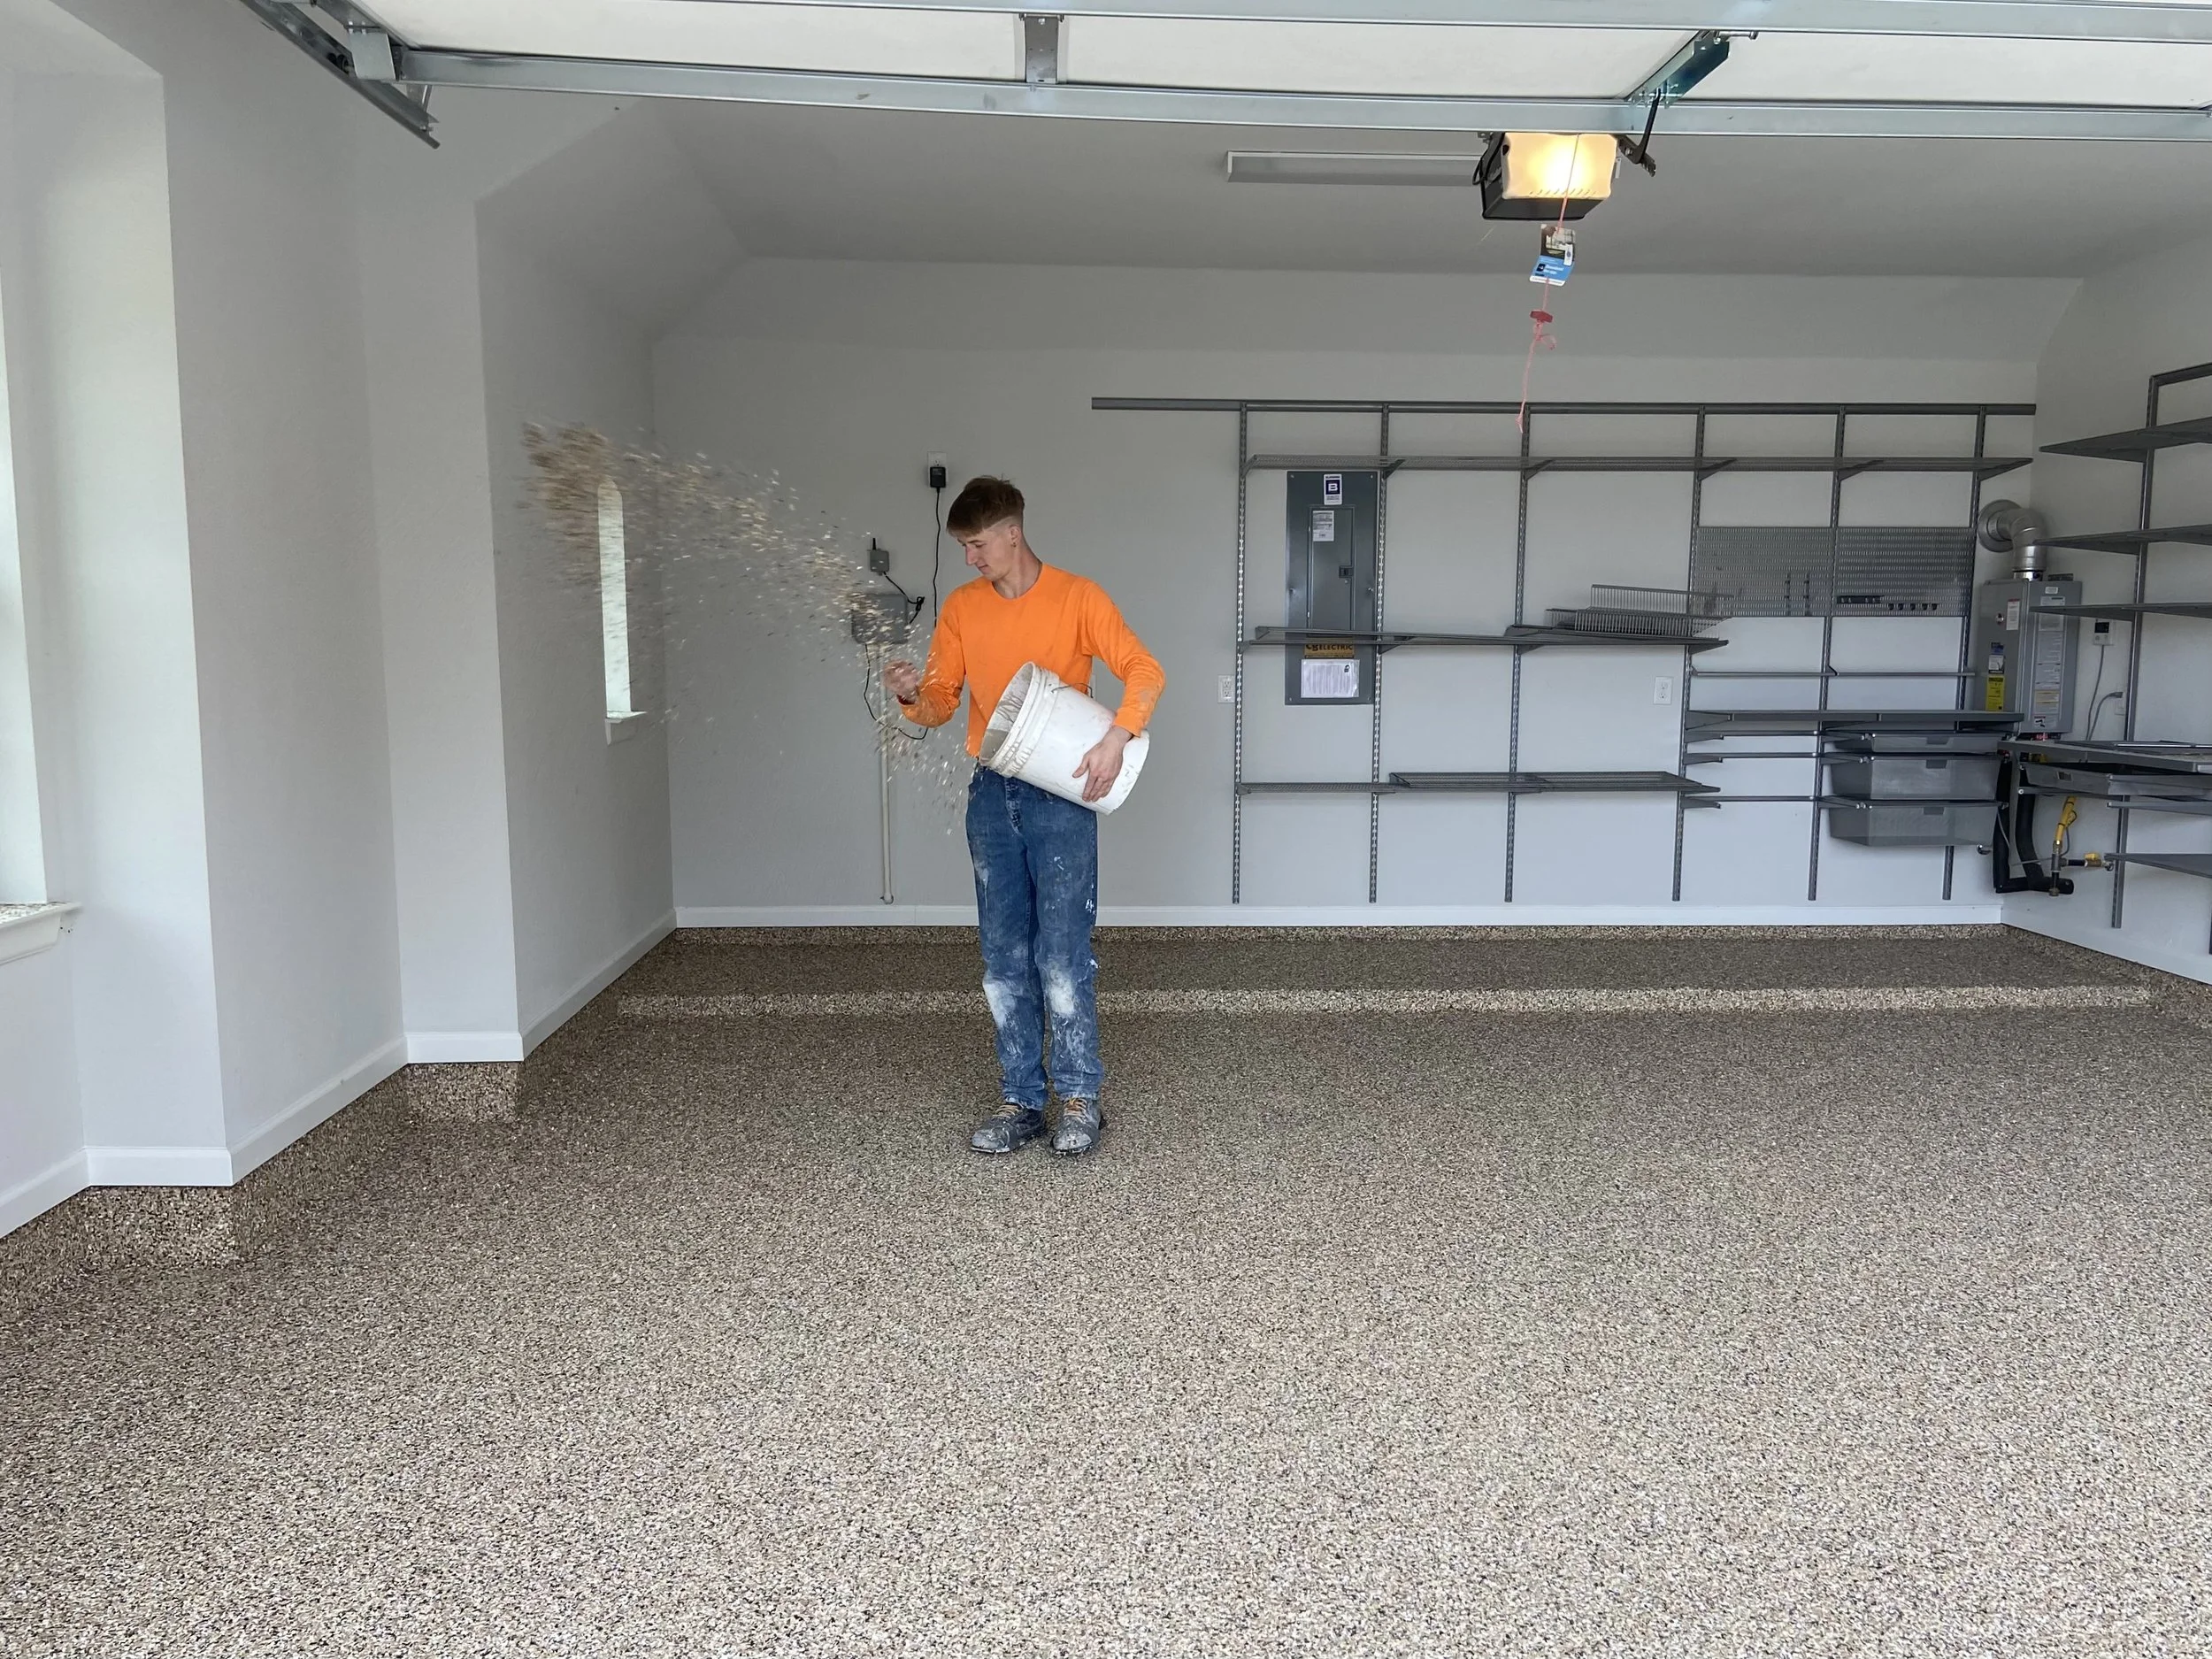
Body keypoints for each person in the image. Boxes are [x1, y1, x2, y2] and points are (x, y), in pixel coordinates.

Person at [885, 477, 1165, 1156]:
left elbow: (1144, 670)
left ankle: (1080, 1098)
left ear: (1012, 533)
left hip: (1062, 794)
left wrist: (1116, 737)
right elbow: (942, 702)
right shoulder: (962, 607)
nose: (970, 558)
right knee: (1003, 955)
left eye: (978, 544)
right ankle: (1021, 1100)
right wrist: (911, 695)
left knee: (1062, 952)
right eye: (963, 547)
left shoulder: (1078, 597)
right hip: (991, 792)